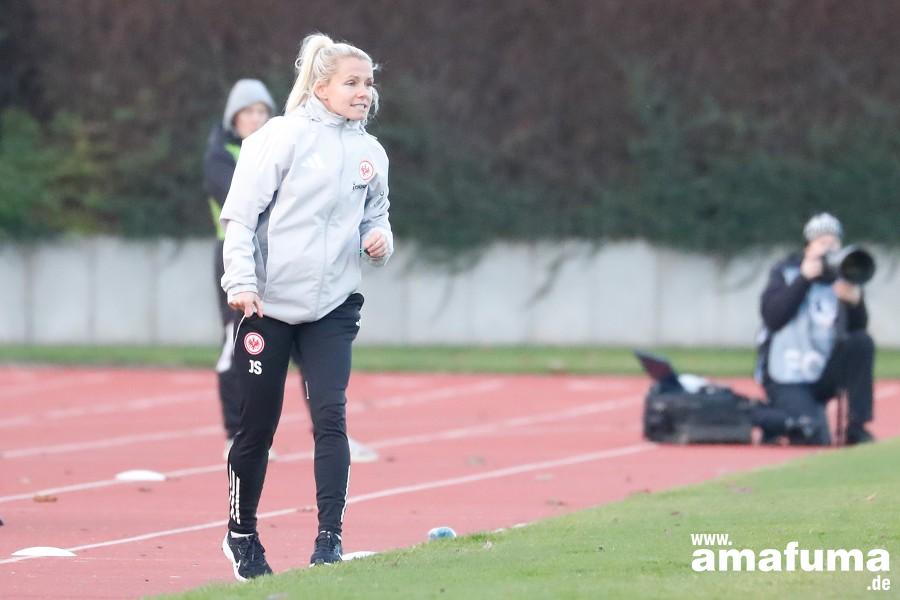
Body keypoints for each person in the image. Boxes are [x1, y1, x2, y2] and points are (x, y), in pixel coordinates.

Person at [219, 33, 393, 580]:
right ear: (321, 88)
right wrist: (241, 281)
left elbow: (377, 215)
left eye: (368, 83)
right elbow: (240, 217)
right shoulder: (280, 137)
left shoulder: (371, 153)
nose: (364, 92)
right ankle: (241, 534)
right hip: (267, 307)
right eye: (352, 82)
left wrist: (380, 239)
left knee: (330, 417)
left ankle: (329, 540)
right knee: (257, 427)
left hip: (332, 308)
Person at [756, 213, 875, 446]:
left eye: (834, 242)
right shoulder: (786, 272)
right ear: (808, 247)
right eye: (822, 243)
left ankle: (857, 427)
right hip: (787, 375)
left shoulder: (843, 277)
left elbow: (857, 330)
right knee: (812, 435)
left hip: (824, 371)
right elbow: (773, 318)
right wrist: (804, 279)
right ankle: (771, 420)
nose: (829, 249)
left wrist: (855, 303)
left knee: (862, 342)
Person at [204, 78, 276, 458]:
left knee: (282, 344)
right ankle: (235, 432)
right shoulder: (221, 155)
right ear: (234, 117)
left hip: (277, 253)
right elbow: (242, 201)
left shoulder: (279, 151)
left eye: (262, 111)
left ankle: (326, 432)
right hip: (234, 255)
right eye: (248, 111)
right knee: (236, 341)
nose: (256, 118)